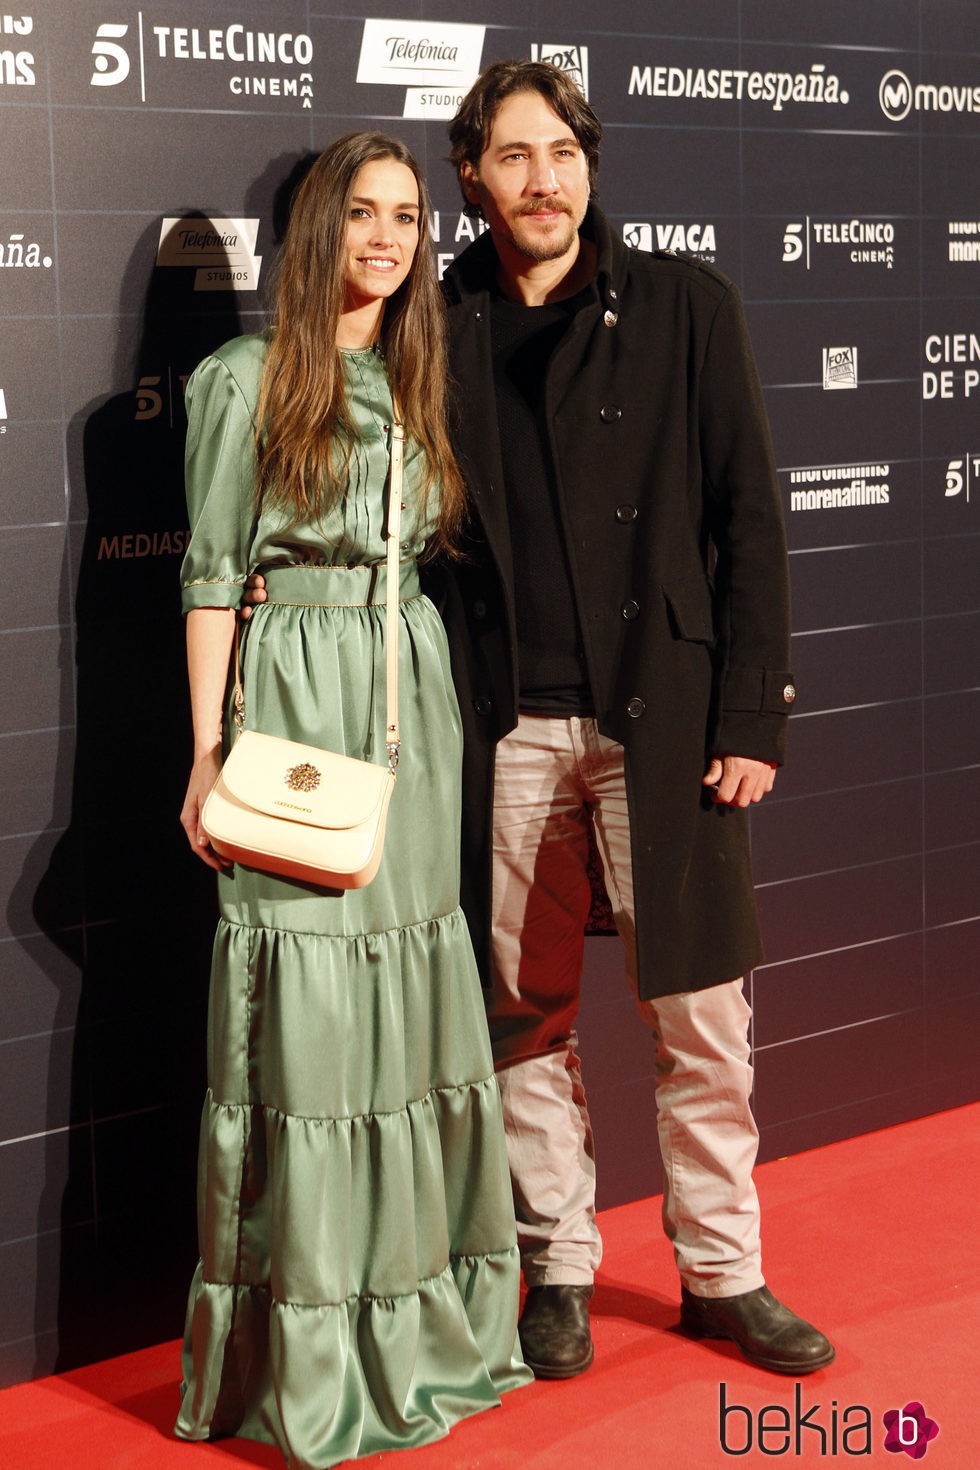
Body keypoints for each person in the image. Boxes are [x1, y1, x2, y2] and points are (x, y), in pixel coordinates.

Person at [245, 64, 836, 1383]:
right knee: (525, 1018)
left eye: (559, 150)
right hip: (503, 727)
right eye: (511, 157)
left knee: (702, 1017)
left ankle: (724, 1271)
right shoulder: (434, 326)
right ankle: (556, 1263)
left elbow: (751, 522)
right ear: (474, 178)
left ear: (591, 161)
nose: (541, 179)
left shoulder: (689, 305)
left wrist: (751, 710)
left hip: (667, 717)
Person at [175, 131, 529, 1470]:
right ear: (316, 229)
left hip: (411, 707)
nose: (385, 237)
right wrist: (208, 755)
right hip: (296, 710)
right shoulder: (241, 380)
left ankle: (421, 1322)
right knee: (312, 1025)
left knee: (408, 1010)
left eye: (405, 216)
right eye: (361, 213)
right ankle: (313, 1347)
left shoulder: (419, 376)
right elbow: (212, 577)